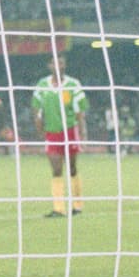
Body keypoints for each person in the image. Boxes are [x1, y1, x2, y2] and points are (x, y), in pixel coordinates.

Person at [32, 56, 88, 217]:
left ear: (65, 65)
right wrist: (40, 129)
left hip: (70, 131)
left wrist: (82, 134)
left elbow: (80, 112)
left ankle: (77, 204)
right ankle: (58, 208)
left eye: (61, 63)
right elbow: (36, 108)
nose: (58, 66)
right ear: (49, 65)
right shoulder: (42, 85)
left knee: (72, 168)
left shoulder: (73, 84)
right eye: (54, 63)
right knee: (56, 169)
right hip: (52, 132)